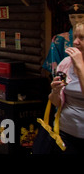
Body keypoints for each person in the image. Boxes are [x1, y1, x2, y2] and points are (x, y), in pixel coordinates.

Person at [49, 22, 84, 154]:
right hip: (65, 133)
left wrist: (80, 65)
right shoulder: (66, 63)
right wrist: (55, 91)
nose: (75, 42)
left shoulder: (78, 63)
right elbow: (56, 102)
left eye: (82, 38)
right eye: (75, 37)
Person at [43, 4, 84, 73]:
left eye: (80, 17)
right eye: (72, 17)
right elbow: (54, 63)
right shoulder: (59, 39)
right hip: (67, 77)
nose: (76, 20)